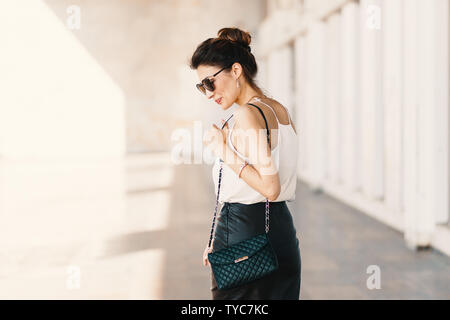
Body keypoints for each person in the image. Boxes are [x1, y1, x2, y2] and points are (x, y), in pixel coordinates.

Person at [189, 27, 301, 300]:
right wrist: (218, 242)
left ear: (236, 70)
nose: (208, 93)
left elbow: (269, 187)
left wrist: (223, 150)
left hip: (244, 234)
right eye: (201, 86)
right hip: (281, 233)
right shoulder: (278, 109)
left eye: (209, 82)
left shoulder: (247, 115)